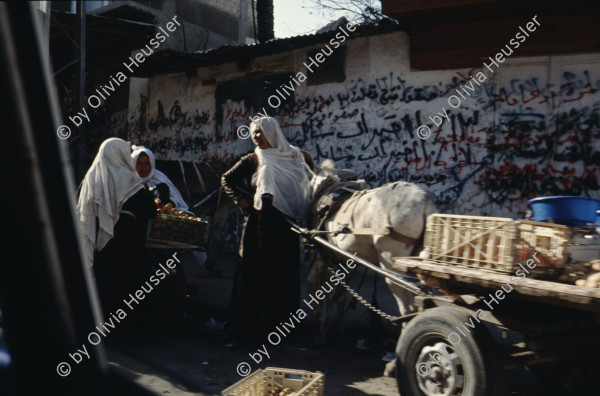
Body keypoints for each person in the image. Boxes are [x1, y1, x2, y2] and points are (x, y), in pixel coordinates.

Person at [222, 116, 311, 342]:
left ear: (272, 133)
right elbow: (227, 179)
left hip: (286, 225)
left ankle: (282, 328)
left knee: (284, 274)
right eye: (254, 133)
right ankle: (253, 330)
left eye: (261, 132)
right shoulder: (253, 159)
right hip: (259, 227)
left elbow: (302, 188)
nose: (256, 137)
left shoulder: (292, 156)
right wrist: (242, 202)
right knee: (257, 275)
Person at [76, 138, 156, 338]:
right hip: (129, 249)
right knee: (131, 290)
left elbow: (81, 213)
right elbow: (150, 210)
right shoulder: (130, 181)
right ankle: (130, 333)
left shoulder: (89, 181)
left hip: (102, 250)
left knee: (105, 289)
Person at [131, 145, 193, 215]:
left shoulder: (158, 177)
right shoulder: (129, 180)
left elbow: (175, 199)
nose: (143, 167)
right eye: (139, 163)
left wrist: (164, 207)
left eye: (147, 163)